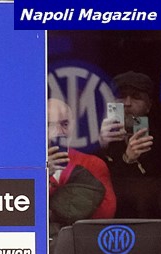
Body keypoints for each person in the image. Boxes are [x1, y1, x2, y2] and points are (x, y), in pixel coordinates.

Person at [97, 71, 161, 218]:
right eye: (121, 96)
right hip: (109, 214)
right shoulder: (98, 137)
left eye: (136, 97)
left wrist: (130, 159)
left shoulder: (159, 138)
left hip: (151, 215)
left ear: (148, 105)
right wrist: (100, 145)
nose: (127, 103)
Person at [47, 98, 116, 235]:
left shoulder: (93, 163)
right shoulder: (25, 165)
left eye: (65, 124)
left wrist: (52, 213)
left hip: (81, 240)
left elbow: (106, 214)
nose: (59, 131)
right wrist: (44, 174)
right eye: (49, 125)